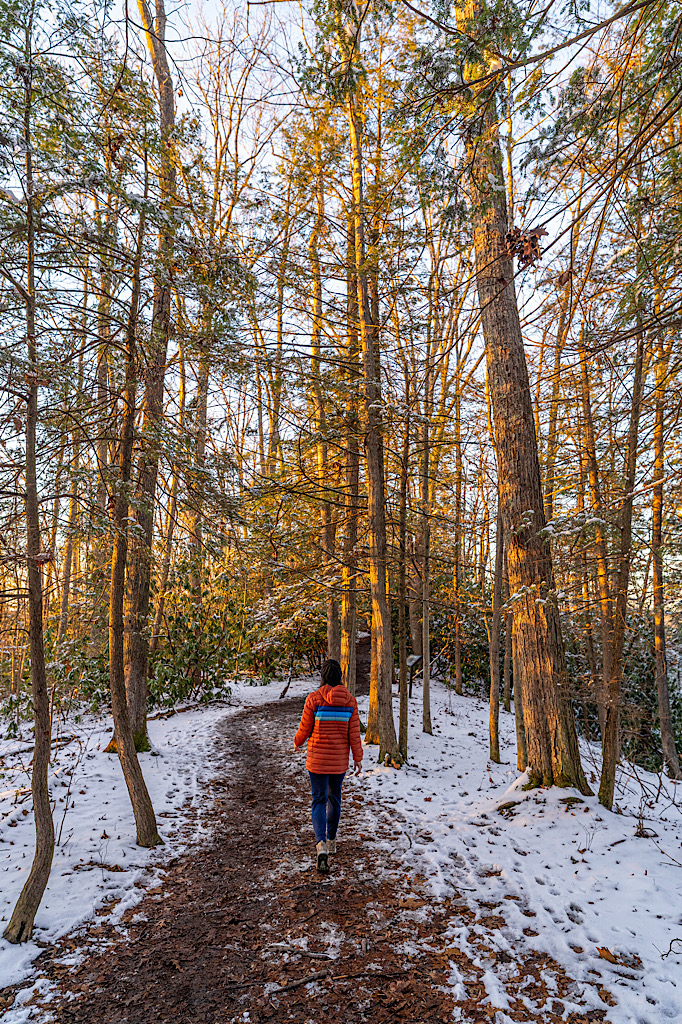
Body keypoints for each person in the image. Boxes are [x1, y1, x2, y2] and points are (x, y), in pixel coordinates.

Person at [294, 658, 363, 873]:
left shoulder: (314, 699)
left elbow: (305, 728)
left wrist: (297, 741)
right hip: (339, 761)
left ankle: (321, 845)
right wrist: (358, 758)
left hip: (316, 760)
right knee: (334, 798)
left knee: (318, 800)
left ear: (323, 676)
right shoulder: (350, 702)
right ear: (340, 676)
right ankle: (332, 842)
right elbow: (354, 734)